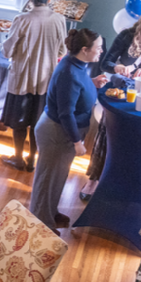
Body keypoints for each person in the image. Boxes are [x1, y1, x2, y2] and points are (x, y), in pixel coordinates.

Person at [83, 3, 141, 199]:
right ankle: (93, 180)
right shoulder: (127, 35)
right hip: (121, 93)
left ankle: (121, 187)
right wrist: (117, 68)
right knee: (107, 135)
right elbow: (106, 62)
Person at [31, 28, 108, 230]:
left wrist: (92, 83)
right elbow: (66, 113)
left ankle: (50, 213)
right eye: (98, 47)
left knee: (57, 177)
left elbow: (77, 87)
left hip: (61, 131)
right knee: (47, 180)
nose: (101, 51)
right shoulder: (69, 73)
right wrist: (77, 142)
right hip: (57, 133)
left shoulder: (76, 64)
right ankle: (40, 225)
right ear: (84, 50)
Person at [0, 0, 68, 171]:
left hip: (22, 79)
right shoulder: (59, 20)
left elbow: (7, 51)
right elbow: (62, 50)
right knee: (38, 122)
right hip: (45, 81)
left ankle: (18, 158)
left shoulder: (22, 19)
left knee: (19, 122)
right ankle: (32, 160)